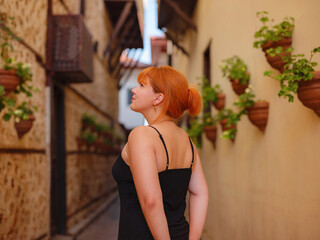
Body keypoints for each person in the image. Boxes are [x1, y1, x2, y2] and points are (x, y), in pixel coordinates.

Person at [112, 66, 208, 240]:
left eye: (141, 85)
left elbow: (151, 201)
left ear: (158, 98)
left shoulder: (141, 135)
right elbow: (200, 193)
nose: (134, 89)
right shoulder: (188, 142)